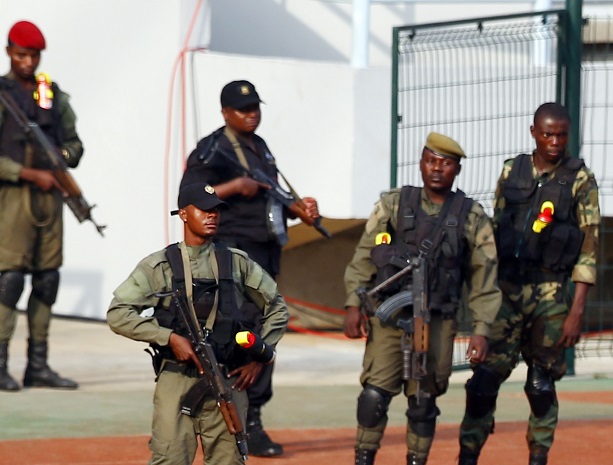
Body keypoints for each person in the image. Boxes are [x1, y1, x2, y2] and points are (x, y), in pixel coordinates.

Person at [343, 132, 502, 465]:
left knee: (423, 402)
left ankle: (417, 460)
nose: (437, 169)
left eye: (445, 164)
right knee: (374, 395)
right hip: (389, 318)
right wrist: (353, 305)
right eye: (431, 161)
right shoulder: (395, 204)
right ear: (421, 162)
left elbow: (483, 275)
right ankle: (363, 458)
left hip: (437, 321)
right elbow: (363, 254)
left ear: (456, 169)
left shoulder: (471, 215)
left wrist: (482, 329)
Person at [179, 79, 319, 456]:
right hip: (233, 253)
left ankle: (251, 418)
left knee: (261, 331)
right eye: (243, 109)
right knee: (234, 333)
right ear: (225, 113)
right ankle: (225, 417)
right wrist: (232, 187)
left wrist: (300, 211)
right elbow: (189, 195)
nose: (251, 114)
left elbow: (271, 197)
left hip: (265, 251)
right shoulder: (212, 150)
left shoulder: (259, 147)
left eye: (255, 107)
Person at [107, 182, 289, 464]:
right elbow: (118, 313)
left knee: (229, 459)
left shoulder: (236, 263)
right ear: (183, 213)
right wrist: (167, 337)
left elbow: (277, 307)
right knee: (170, 457)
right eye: (204, 209)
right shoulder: (159, 266)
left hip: (227, 378)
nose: (212, 215)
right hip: (177, 379)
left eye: (216, 210)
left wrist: (258, 356)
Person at [458, 103, 600, 465]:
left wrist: (575, 312)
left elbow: (588, 249)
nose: (555, 141)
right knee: (482, 383)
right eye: (548, 133)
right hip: (506, 290)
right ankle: (468, 455)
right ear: (534, 132)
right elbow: (496, 233)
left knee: (540, 385)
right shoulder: (512, 170)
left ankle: (538, 457)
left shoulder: (580, 180)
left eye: (562, 134)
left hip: (551, 294)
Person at [0, 20, 83, 391]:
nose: (28, 61)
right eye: (22, 54)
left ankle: (38, 365)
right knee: (12, 279)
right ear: (9, 52)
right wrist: (29, 174)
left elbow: (76, 144)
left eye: (34, 55)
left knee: (48, 278)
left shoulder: (51, 94)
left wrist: (59, 158)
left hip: (52, 196)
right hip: (16, 195)